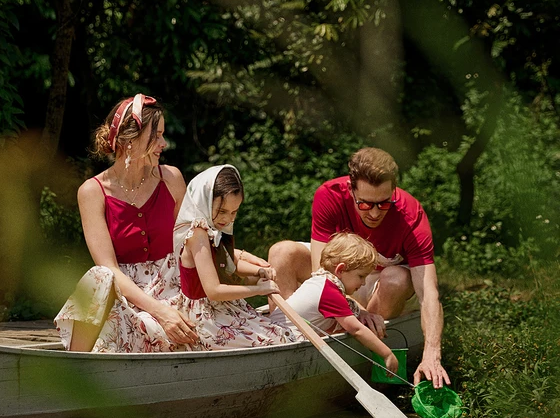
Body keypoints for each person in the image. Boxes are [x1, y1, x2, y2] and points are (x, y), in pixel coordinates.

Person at [268, 147, 450, 388]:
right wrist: (355, 309)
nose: (374, 213)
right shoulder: (329, 195)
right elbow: (322, 275)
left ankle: (364, 350)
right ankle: (283, 340)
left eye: (383, 204)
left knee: (396, 279)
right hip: (342, 276)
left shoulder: (411, 215)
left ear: (393, 191)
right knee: (281, 252)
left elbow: (428, 294)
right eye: (365, 205)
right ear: (351, 189)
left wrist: (432, 355)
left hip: (383, 284)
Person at [55, 93, 200, 352]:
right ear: (129, 141)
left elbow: (192, 244)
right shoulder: (92, 192)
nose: (163, 143)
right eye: (156, 136)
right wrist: (159, 313)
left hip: (172, 289)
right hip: (125, 296)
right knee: (98, 276)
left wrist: (241, 262)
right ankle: (77, 366)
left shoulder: (171, 179)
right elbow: (109, 268)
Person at [169, 164, 296, 350]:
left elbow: (227, 262)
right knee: (280, 338)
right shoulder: (197, 234)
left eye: (234, 212)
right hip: (205, 317)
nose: (228, 219)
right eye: (222, 211)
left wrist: (260, 270)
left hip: (220, 308)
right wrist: (258, 290)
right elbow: (213, 290)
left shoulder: (211, 228)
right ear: (204, 200)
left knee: (283, 332)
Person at [270, 232, 399, 375]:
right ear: (340, 270)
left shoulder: (322, 281)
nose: (363, 283)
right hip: (280, 339)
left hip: (277, 331)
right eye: (361, 276)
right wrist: (386, 354)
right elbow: (356, 330)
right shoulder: (329, 292)